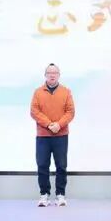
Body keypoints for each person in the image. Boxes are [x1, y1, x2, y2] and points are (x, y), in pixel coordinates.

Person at [30, 63, 75, 207]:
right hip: (43, 135)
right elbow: (34, 111)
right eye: (49, 73)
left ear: (59, 75)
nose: (52, 75)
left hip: (61, 135)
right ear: (45, 75)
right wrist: (49, 124)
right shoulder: (38, 92)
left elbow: (70, 112)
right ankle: (44, 195)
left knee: (61, 165)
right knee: (42, 165)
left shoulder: (66, 91)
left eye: (55, 72)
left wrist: (59, 125)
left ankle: (60, 194)